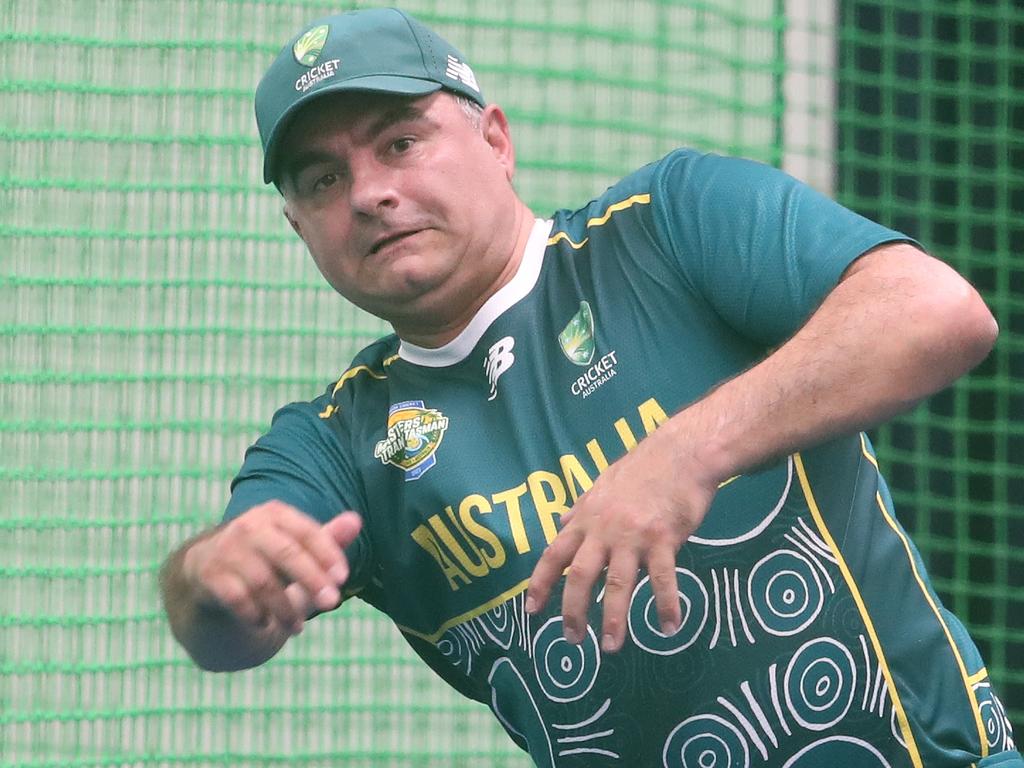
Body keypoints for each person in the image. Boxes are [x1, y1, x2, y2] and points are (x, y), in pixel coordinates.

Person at [160, 7, 1020, 766]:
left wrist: (685, 453)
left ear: (496, 139)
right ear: (298, 225)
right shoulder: (340, 440)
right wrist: (212, 577)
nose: (372, 193)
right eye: (323, 179)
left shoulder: (668, 225)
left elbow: (936, 312)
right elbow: (225, 633)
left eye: (400, 141)